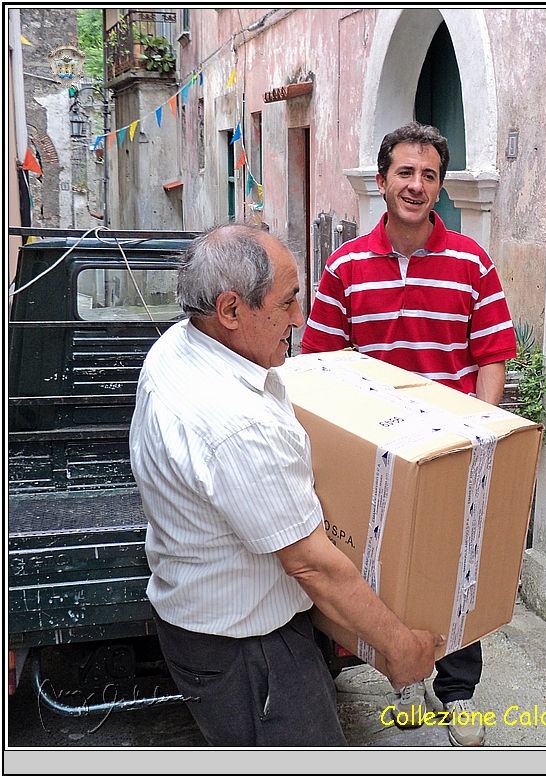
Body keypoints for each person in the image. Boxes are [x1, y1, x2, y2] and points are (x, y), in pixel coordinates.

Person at [130, 224, 442, 746]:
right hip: (248, 649)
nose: (299, 318)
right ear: (230, 310)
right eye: (288, 302)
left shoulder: (181, 344)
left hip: (206, 625)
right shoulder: (236, 422)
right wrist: (400, 648)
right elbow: (311, 563)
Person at [301, 122, 517, 745]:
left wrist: (482, 437)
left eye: (428, 175)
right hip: (372, 449)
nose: (416, 186)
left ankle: (456, 692)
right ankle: (386, 671)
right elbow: (321, 363)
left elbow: (493, 355)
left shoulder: (471, 262)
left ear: (442, 186)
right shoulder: (345, 267)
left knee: (456, 568)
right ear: (382, 180)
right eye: (405, 173)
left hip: (449, 447)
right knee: (365, 564)